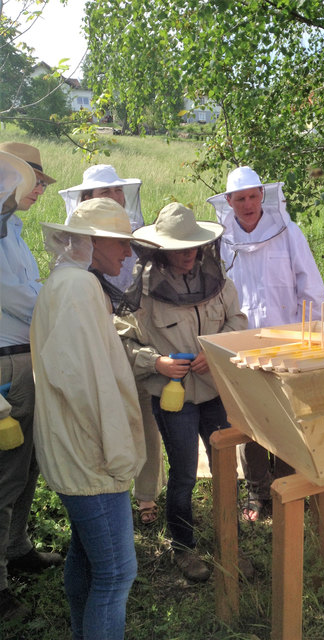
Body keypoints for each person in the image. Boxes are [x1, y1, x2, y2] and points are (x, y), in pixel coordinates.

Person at [30, 198, 147, 640]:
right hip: (90, 455)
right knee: (117, 573)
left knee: (87, 559)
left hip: (74, 447)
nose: (128, 254)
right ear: (95, 243)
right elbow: (87, 387)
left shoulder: (70, 282)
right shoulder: (77, 288)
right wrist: (117, 453)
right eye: (121, 244)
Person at [115, 202, 248, 581]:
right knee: (185, 475)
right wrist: (155, 363)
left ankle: (231, 546)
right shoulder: (142, 294)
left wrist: (214, 348)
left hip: (215, 393)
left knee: (225, 469)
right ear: (161, 250)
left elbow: (238, 321)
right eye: (179, 247)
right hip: (174, 401)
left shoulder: (219, 282)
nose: (188, 254)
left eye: (192, 246)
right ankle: (184, 549)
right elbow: (122, 342)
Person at [207, 166, 324, 521]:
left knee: (291, 421)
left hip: (287, 343)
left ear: (263, 195)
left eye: (253, 196)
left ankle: (290, 490)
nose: (248, 204)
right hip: (240, 346)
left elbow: (310, 287)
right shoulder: (219, 240)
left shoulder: (289, 233)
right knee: (250, 421)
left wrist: (311, 337)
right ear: (228, 202)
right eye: (240, 198)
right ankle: (258, 493)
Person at [60, 165, 164, 525]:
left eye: (118, 191)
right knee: (108, 416)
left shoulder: (132, 237)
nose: (115, 197)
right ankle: (111, 488)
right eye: (105, 193)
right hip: (100, 341)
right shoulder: (77, 261)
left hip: (138, 340)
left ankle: (146, 494)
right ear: (87, 200)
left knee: (144, 418)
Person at [0, 142, 62, 622]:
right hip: (6, 363)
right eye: (33, 180)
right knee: (6, 473)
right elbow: (19, 297)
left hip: (25, 358)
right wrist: (62, 297)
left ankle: (16, 546)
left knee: (28, 463)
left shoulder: (12, 229)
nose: (39, 189)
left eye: (41, 182)